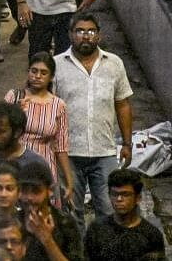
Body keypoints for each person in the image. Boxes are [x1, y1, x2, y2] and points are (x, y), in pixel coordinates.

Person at [53, 13, 133, 224]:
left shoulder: (114, 63)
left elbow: (122, 104)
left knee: (109, 211)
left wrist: (127, 143)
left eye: (90, 31)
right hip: (68, 152)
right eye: (80, 31)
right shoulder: (56, 65)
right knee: (71, 213)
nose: (85, 36)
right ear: (70, 35)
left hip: (104, 151)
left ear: (98, 35)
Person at [2, 53, 74, 207]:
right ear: (28, 72)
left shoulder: (58, 105)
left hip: (45, 166)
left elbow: (61, 146)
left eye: (43, 73)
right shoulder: (13, 97)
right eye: (34, 71)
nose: (37, 76)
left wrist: (69, 181)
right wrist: (15, 113)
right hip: (15, 163)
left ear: (51, 77)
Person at [82, 168, 165, 260]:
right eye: (114, 194)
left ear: (138, 198)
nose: (119, 199)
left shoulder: (151, 236)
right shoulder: (96, 230)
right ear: (109, 195)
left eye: (125, 194)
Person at [16, 162, 83, 261]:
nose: (29, 197)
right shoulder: (12, 222)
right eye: (24, 191)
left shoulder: (65, 224)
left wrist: (48, 241)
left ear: (50, 191)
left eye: (36, 191)